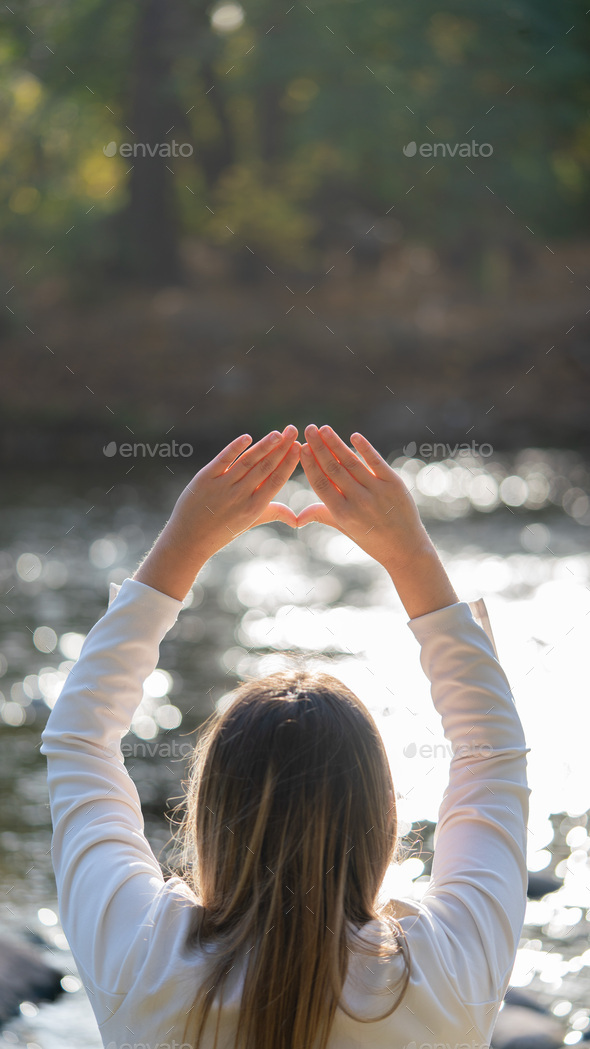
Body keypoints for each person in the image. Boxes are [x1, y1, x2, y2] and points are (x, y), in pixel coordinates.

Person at [40, 422, 530, 1049]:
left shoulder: (142, 954)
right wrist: (410, 555)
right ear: (383, 822)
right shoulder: (447, 969)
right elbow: (492, 756)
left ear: (207, 814)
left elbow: (79, 742)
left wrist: (182, 544)